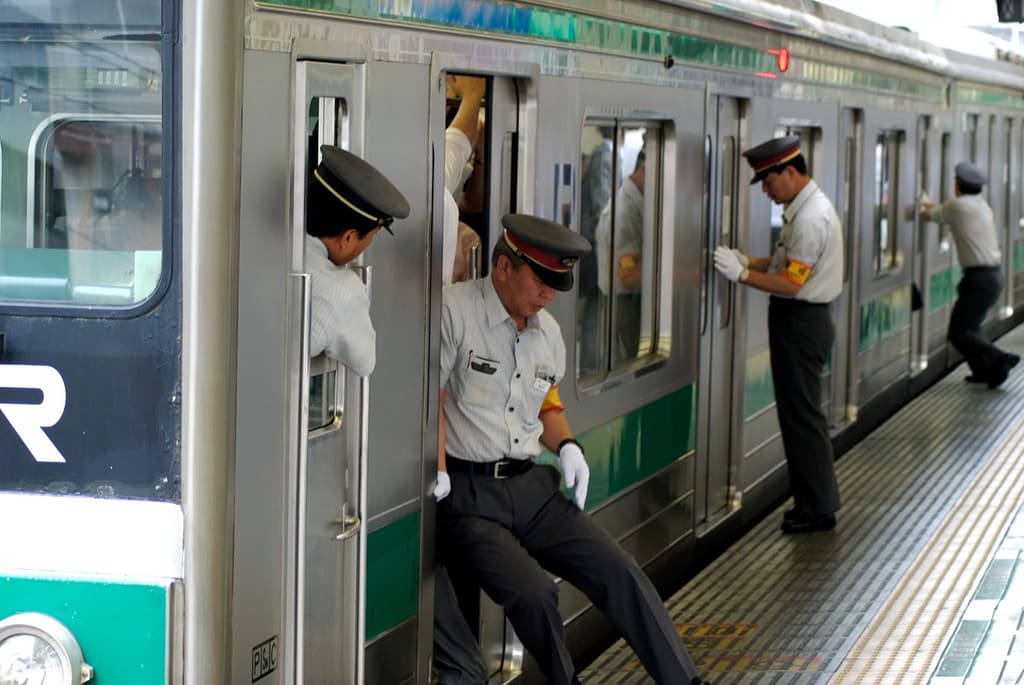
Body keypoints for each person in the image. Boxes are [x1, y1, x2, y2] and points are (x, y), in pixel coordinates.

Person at [435, 213, 709, 685]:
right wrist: (437, 470)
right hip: (469, 497)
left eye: (556, 285)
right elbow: (431, 400)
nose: (548, 295)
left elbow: (546, 407)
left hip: (531, 487)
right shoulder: (454, 313)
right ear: (504, 267)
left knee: (619, 571)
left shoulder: (548, 335)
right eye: (541, 281)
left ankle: (685, 682)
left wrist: (567, 447)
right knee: (535, 592)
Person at [713, 135, 843, 535]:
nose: (766, 191)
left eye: (768, 182)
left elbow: (791, 282)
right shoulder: (802, 209)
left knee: (802, 417)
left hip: (801, 324)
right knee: (798, 415)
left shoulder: (809, 219)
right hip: (801, 323)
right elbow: (786, 261)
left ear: (789, 172)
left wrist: (743, 275)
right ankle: (811, 502)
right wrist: (747, 259)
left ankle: (818, 509)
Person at [305, 145, 409, 375]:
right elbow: (364, 362)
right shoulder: (343, 293)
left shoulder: (259, 247)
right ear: (348, 237)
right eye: (371, 237)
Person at [920, 161, 1020, 388]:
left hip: (979, 279)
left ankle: (999, 359)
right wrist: (930, 205)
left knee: (958, 332)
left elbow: (930, 215)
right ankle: (984, 372)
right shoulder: (980, 206)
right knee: (972, 327)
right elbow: (943, 209)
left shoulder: (957, 207)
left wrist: (919, 204)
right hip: (992, 276)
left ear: (957, 185)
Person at [595, 146, 645, 361]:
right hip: (625, 306)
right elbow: (629, 277)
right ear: (646, 168)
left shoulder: (634, 201)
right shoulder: (625, 211)